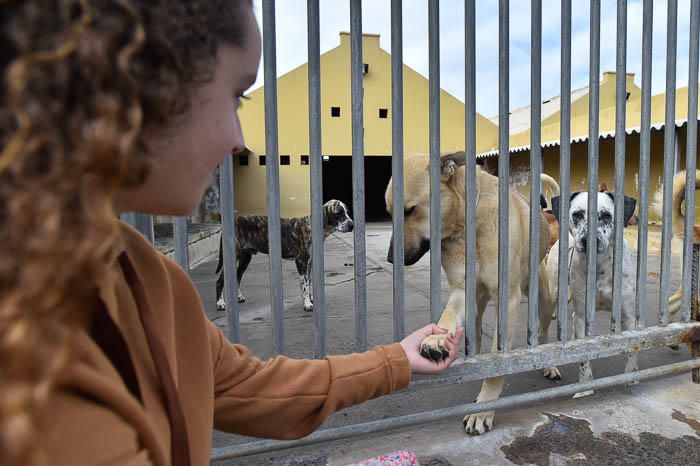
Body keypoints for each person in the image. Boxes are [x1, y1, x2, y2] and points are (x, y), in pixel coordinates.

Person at [0, 1, 465, 465]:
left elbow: (248, 387)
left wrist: (396, 361)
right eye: (235, 96)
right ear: (135, 88)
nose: (239, 139)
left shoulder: (152, 279)